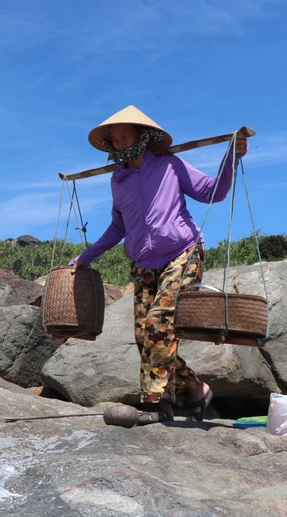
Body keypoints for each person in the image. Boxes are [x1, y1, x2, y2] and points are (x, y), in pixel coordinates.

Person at [70, 106, 248, 425]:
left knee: (159, 321)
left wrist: (230, 157)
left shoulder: (170, 165)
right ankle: (194, 388)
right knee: (145, 335)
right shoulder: (119, 180)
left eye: (127, 136)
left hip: (183, 252)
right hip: (143, 264)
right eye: (116, 139)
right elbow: (118, 227)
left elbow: (213, 192)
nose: (122, 143)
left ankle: (158, 405)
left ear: (144, 137)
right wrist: (85, 257)